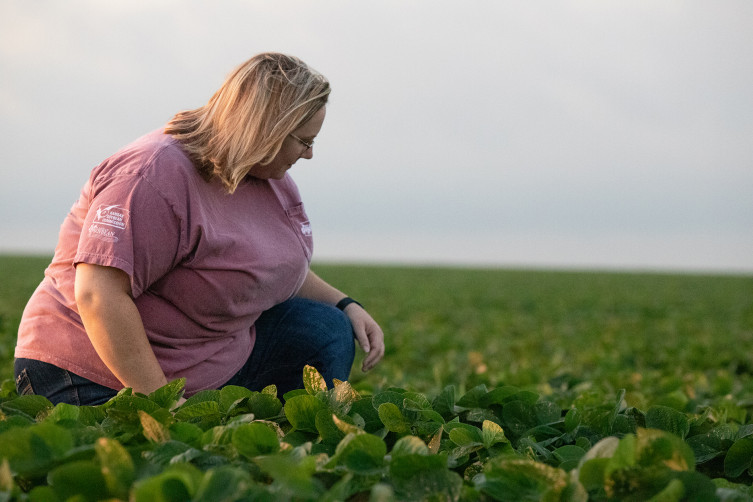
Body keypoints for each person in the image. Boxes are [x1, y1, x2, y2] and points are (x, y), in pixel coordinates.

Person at [13, 52, 385, 406]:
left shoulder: (268, 176)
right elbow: (98, 296)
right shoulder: (151, 176)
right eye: (304, 140)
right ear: (267, 130)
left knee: (326, 328)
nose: (309, 154)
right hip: (95, 372)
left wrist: (345, 304)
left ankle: (302, 442)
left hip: (208, 363)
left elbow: (272, 266)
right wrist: (165, 410)